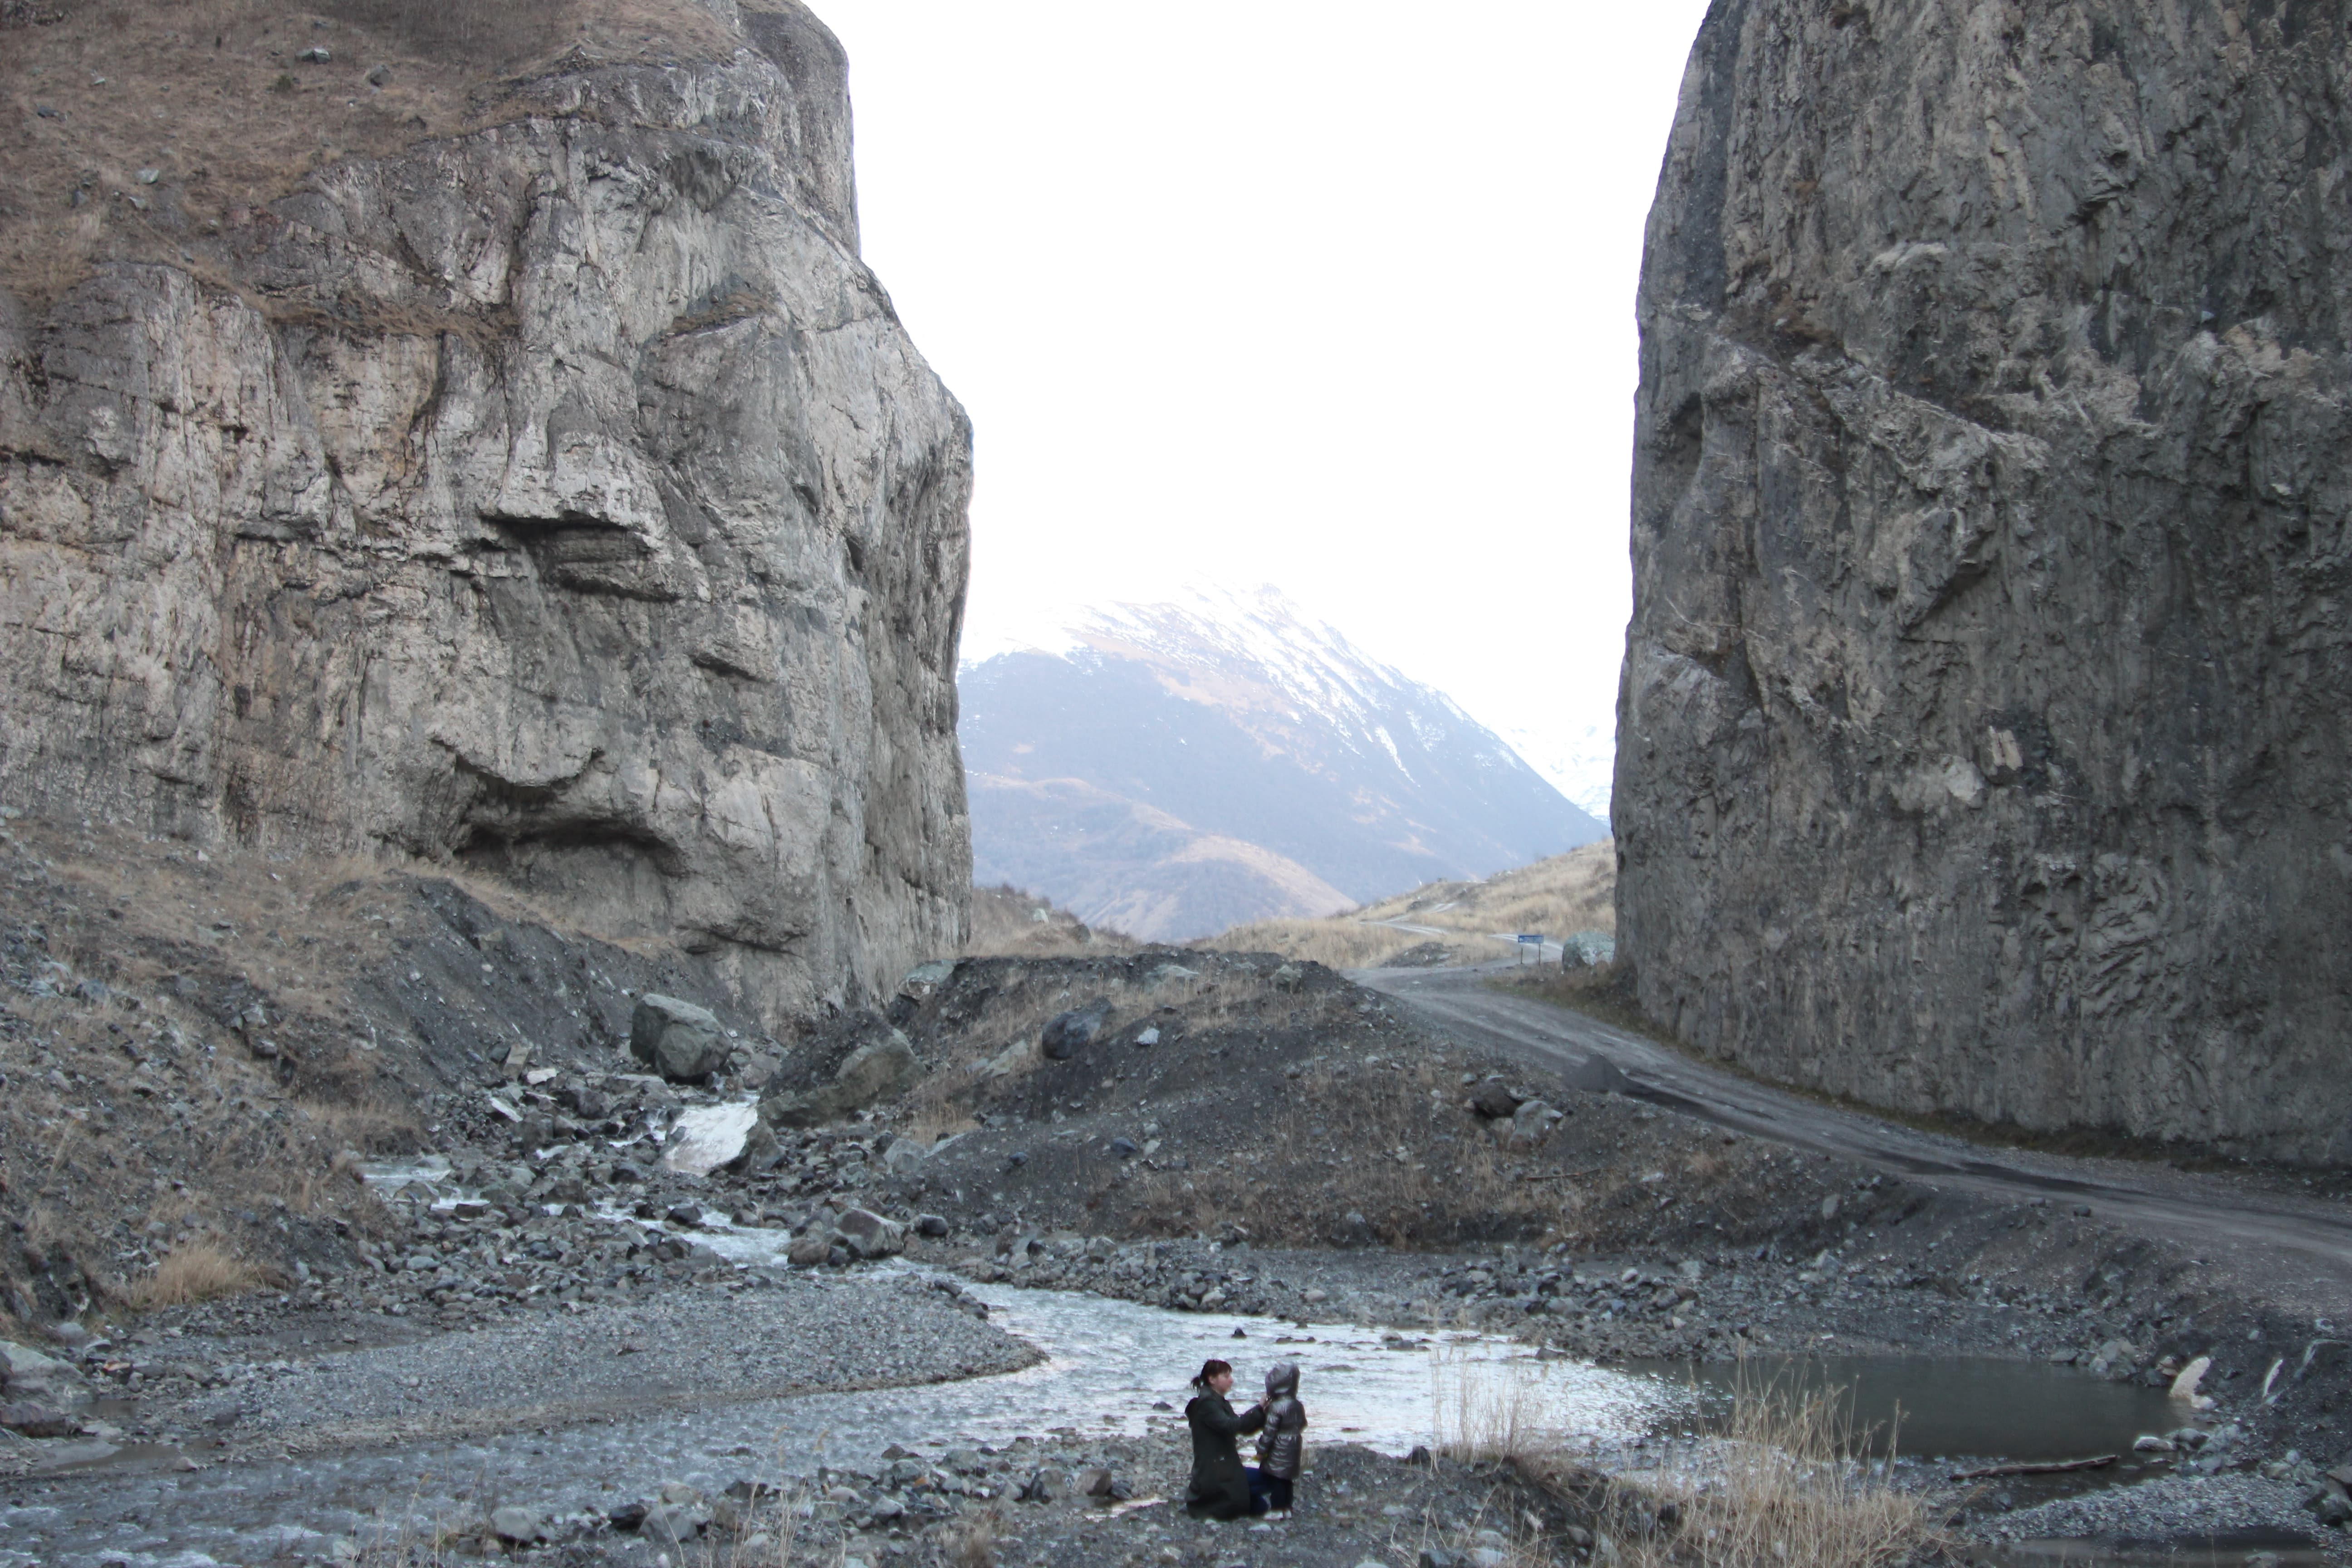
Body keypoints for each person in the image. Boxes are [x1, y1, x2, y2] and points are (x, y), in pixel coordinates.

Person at [1183, 1357, 1266, 1519]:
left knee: (1261, 1503)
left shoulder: (1218, 1402)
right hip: (1216, 1473)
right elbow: (1232, 1426)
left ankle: (1242, 1501)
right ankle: (1219, 1503)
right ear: (1212, 1379)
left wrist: (1263, 1415)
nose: (1231, 1380)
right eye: (1226, 1376)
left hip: (1224, 1468)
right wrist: (1259, 1409)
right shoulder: (1207, 1404)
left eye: (1230, 1375)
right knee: (1269, 1481)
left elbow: (1240, 1428)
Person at [1250, 1361, 1307, 1515]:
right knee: (1287, 1479)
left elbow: (1269, 1432)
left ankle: (1277, 1509)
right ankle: (1287, 1508)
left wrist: (1261, 1451)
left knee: (1277, 1479)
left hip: (1279, 1446)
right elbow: (1303, 1423)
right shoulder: (1297, 1405)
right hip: (1294, 1443)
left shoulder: (1276, 1407)